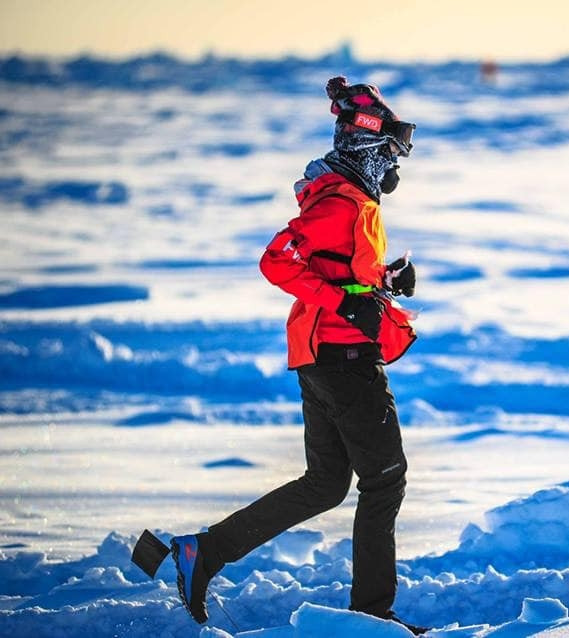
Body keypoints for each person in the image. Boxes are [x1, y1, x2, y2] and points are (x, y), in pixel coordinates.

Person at [167, 76, 425, 635]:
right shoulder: (340, 201)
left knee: (327, 483)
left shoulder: (351, 201)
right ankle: (373, 620)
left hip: (325, 356)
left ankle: (203, 554)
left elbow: (336, 268)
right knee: (386, 479)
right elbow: (276, 260)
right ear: (370, 149)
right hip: (343, 360)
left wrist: (383, 279)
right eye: (391, 155)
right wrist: (342, 302)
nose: (395, 170)